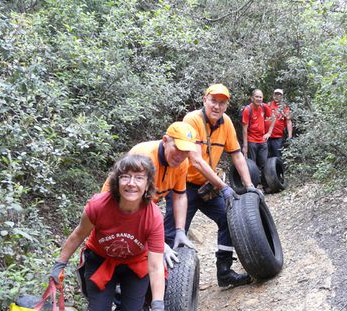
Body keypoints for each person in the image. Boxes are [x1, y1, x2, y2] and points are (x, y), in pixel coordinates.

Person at [50, 154, 179, 311]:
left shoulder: (152, 215)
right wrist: (59, 264)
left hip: (135, 264)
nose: (132, 183)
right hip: (101, 260)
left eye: (139, 178)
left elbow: (155, 265)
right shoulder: (98, 205)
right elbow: (78, 235)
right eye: (126, 177)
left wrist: (158, 306)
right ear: (116, 180)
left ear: (147, 184)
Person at [164, 83, 259, 288]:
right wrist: (224, 187)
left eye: (222, 103)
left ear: (226, 105)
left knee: (228, 218)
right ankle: (164, 288)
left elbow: (236, 154)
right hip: (183, 186)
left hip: (207, 186)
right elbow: (196, 161)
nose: (217, 106)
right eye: (213, 101)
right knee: (173, 235)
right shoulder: (192, 120)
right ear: (204, 100)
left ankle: (224, 273)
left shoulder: (226, 123)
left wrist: (249, 185)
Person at [102, 122, 200, 269]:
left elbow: (179, 196)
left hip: (144, 206)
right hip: (117, 205)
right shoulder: (145, 156)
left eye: (186, 151)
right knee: (128, 252)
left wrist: (180, 230)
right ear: (165, 140)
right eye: (178, 148)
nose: (181, 155)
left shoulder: (182, 163)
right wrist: (159, 244)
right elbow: (132, 205)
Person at [241, 88, 276, 188]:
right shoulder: (248, 110)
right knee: (252, 164)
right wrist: (245, 146)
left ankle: (266, 184)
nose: (259, 99)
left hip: (262, 140)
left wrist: (269, 132)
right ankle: (253, 185)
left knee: (264, 163)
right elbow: (244, 129)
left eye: (260, 97)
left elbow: (274, 118)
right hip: (251, 140)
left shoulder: (264, 107)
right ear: (252, 98)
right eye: (257, 96)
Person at [267, 88, 293, 158]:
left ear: (282, 97)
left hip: (278, 137)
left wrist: (290, 135)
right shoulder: (268, 105)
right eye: (276, 94)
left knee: (277, 156)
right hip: (267, 136)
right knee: (266, 156)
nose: (277, 96)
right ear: (273, 95)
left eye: (279, 95)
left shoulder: (285, 107)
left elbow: (288, 121)